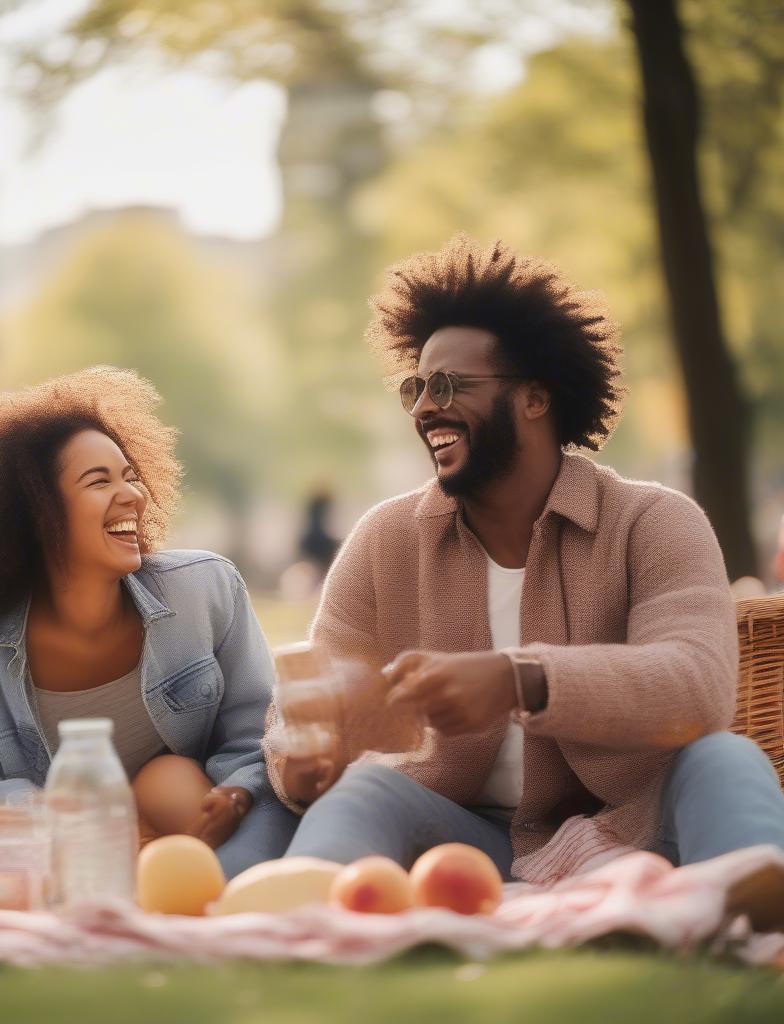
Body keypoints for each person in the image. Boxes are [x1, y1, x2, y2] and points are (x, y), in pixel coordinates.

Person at [266, 234, 784, 887]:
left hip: (640, 821)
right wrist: (299, 756)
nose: (426, 406)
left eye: (450, 383)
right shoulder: (386, 540)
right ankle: (294, 938)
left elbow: (695, 684)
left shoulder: (654, 521)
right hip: (461, 835)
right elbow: (320, 690)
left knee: (727, 760)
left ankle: (760, 938)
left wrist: (520, 680)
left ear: (534, 398)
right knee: (362, 795)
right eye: (416, 387)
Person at [0, 367, 297, 878]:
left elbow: (259, 738)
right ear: (35, 514)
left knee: (168, 779)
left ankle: (213, 893)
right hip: (58, 848)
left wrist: (234, 794)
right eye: (99, 481)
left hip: (197, 822)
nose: (134, 496)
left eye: (130, 475)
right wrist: (64, 818)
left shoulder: (205, 589)